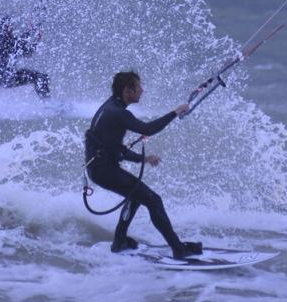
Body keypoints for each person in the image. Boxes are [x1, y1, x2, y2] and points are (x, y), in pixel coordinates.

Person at [85, 70, 202, 259]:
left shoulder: (110, 107)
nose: (142, 90)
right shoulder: (118, 113)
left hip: (100, 169)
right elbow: (148, 129)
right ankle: (178, 249)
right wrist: (175, 112)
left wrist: (143, 159)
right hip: (104, 170)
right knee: (153, 200)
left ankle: (120, 241)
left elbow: (113, 148)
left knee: (136, 196)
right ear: (128, 91)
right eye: (139, 87)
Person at [0, 16, 50, 97]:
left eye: (11, 25)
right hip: (5, 78)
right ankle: (47, 102)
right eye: (7, 26)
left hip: (9, 76)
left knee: (40, 77)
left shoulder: (10, 40)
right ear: (2, 28)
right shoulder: (1, 41)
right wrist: (31, 31)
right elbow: (18, 45)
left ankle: (47, 103)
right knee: (39, 77)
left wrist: (36, 41)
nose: (10, 27)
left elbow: (27, 52)